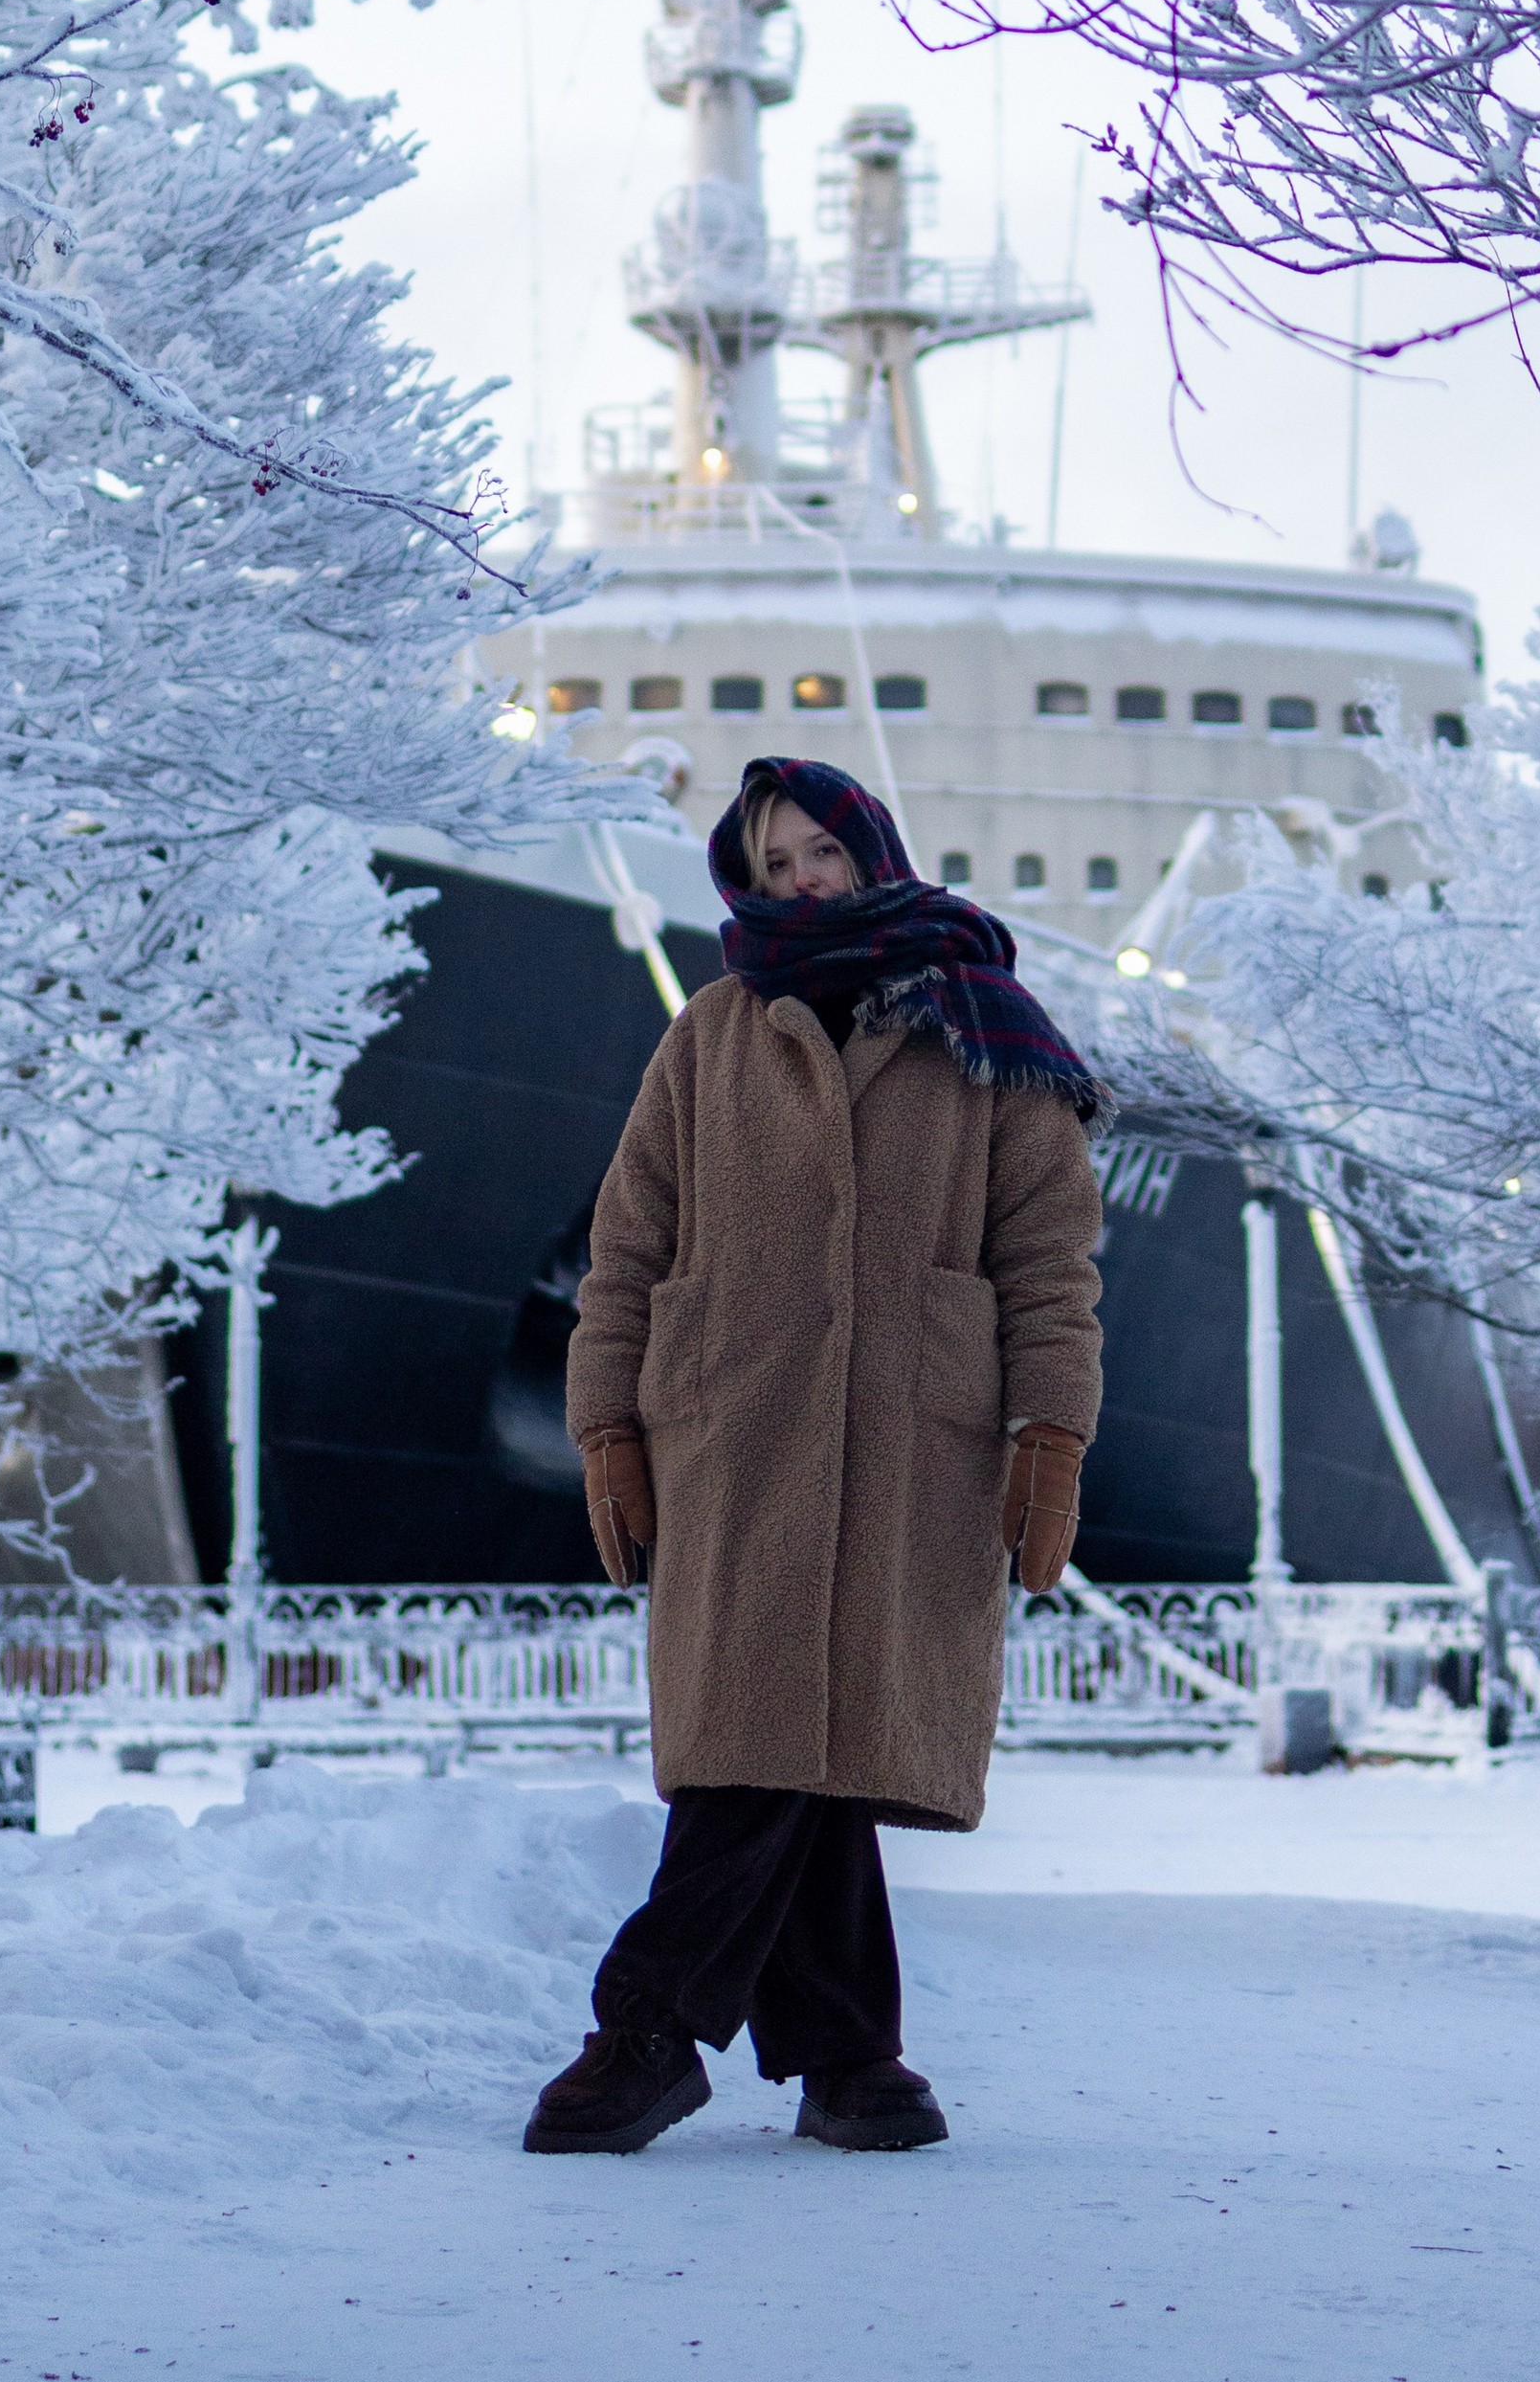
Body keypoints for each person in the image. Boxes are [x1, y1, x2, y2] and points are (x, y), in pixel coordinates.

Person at [524, 756, 1106, 2158]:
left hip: (911, 1444)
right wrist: (607, 1422)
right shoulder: (710, 1035)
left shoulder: (983, 1029)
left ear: (872, 851)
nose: (799, 880)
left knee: (802, 1735)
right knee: (765, 1732)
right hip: (734, 1435)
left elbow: (1049, 1259)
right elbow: (627, 1247)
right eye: (774, 861)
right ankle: (835, 2054)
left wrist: (1051, 1429)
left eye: (819, 853)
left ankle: (660, 2033)